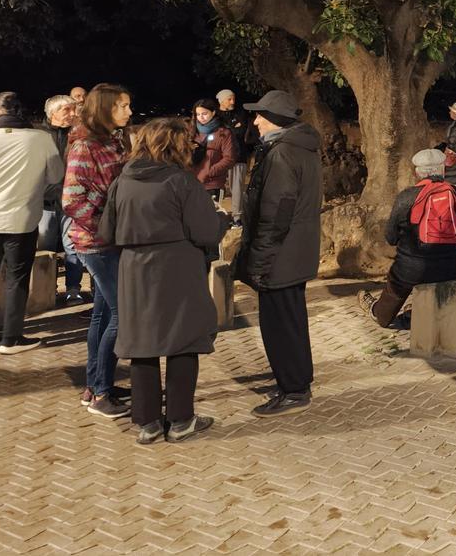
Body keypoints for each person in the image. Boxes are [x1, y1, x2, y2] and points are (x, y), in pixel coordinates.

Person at [99, 118, 229, 444]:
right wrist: (221, 221)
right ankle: (181, 419)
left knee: (143, 344)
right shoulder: (180, 181)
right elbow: (205, 231)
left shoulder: (123, 180)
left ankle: (147, 423)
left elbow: (106, 231)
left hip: (133, 269)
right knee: (182, 341)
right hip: (176, 267)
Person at [234, 90, 323, 417]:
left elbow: (276, 211)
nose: (255, 121)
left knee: (280, 325)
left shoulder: (283, 153)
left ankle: (294, 389)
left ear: (275, 120)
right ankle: (296, 382)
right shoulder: (299, 148)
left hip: (282, 254)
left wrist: (259, 259)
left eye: (261, 115)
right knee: (291, 320)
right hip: (294, 250)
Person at [0, 92, 63, 354]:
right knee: (17, 278)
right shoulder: (42, 138)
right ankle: (11, 338)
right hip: (23, 218)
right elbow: (56, 175)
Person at [64, 83, 132, 416]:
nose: (129, 112)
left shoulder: (114, 141)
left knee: (104, 314)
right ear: (105, 108)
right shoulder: (85, 146)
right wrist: (105, 220)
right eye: (122, 106)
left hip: (112, 240)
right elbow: (71, 200)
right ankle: (102, 393)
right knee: (123, 313)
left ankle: (95, 385)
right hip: (96, 242)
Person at [364, 149, 456, 328]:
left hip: (412, 270)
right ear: (443, 170)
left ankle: (380, 314)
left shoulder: (406, 197)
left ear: (417, 172)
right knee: (426, 273)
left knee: (397, 281)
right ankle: (418, 313)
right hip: (453, 267)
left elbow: (391, 237)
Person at [37, 94, 84, 305]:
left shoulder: (78, 134)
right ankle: (46, 289)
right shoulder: (39, 135)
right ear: (52, 113)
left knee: (72, 246)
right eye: (67, 110)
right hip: (45, 202)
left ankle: (73, 289)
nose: (72, 114)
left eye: (74, 110)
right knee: (44, 248)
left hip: (71, 201)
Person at [217, 89, 252, 228]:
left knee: (237, 188)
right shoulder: (215, 116)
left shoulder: (240, 114)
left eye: (233, 98)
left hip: (238, 156)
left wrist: (227, 130)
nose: (233, 102)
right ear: (221, 100)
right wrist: (233, 128)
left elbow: (240, 132)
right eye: (229, 99)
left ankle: (238, 218)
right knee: (217, 187)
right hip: (218, 158)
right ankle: (217, 216)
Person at [191, 98, 236, 203]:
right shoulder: (192, 131)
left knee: (209, 217)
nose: (201, 117)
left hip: (212, 185)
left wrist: (209, 172)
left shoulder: (224, 133)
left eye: (204, 113)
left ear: (213, 112)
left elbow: (229, 159)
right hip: (191, 183)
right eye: (198, 114)